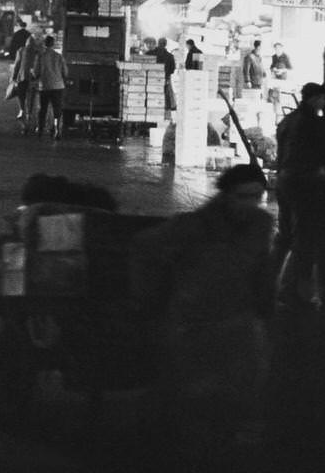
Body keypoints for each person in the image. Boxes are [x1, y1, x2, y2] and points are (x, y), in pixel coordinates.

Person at [131, 163, 277, 469]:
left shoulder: (261, 225)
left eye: (256, 196)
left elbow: (263, 267)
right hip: (192, 322)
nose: (249, 204)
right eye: (242, 196)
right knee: (191, 395)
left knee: (247, 387)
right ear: (226, 196)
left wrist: (265, 304)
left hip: (239, 319)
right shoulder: (192, 226)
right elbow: (145, 249)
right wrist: (150, 301)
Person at [274, 81, 325, 306]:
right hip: (303, 183)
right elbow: (316, 153)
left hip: (284, 180)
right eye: (322, 98)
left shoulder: (288, 120)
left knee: (284, 236)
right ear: (314, 99)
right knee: (304, 238)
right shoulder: (311, 123)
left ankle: (264, 283)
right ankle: (291, 291)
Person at [31, 34, 69, 140]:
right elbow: (65, 72)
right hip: (58, 86)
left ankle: (41, 130)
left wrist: (33, 75)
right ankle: (57, 130)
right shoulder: (59, 57)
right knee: (57, 109)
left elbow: (35, 72)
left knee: (43, 109)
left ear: (44, 44)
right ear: (53, 44)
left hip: (45, 86)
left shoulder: (40, 56)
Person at [11, 29, 42, 128]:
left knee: (21, 94)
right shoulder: (38, 52)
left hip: (22, 77)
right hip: (33, 78)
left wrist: (13, 77)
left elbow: (17, 65)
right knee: (31, 96)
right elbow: (40, 66)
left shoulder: (21, 50)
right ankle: (29, 113)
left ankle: (22, 110)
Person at [153, 37, 177, 112]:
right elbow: (172, 69)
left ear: (158, 43)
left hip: (152, 77)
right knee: (167, 94)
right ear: (166, 44)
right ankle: (167, 108)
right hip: (165, 77)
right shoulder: (170, 56)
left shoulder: (151, 53)